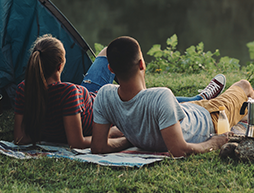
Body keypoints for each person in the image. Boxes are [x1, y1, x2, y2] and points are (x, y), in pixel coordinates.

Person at [13, 34, 227, 149]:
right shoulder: (67, 93)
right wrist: (126, 138)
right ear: (61, 65)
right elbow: (76, 142)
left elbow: (20, 138)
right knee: (137, 93)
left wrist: (43, 131)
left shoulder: (25, 89)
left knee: (110, 50)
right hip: (97, 100)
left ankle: (195, 97)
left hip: (86, 94)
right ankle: (199, 98)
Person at [91, 36, 254, 157]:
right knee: (244, 85)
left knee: (206, 103)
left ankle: (249, 110)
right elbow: (179, 150)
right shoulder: (160, 96)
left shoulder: (104, 96)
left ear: (110, 69)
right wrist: (214, 143)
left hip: (192, 110)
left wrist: (130, 139)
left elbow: (98, 147)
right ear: (142, 64)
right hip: (213, 119)